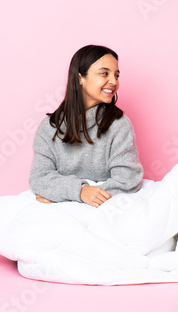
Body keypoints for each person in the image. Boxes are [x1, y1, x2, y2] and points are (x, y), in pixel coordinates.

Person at [29, 45, 144, 208]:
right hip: (65, 215)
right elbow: (39, 177)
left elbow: (128, 179)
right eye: (105, 73)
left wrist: (64, 194)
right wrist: (80, 192)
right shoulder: (49, 128)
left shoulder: (119, 125)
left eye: (116, 75)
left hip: (106, 211)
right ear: (80, 78)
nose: (113, 81)